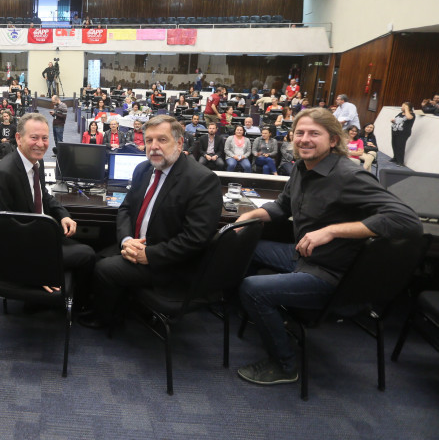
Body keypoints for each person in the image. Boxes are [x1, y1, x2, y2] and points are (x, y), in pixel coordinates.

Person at [235, 108, 423, 385]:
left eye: (314, 133)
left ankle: (284, 365)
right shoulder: (302, 168)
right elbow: (282, 206)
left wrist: (332, 230)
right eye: (300, 133)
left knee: (253, 289)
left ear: (333, 140)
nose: (305, 139)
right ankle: (267, 321)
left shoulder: (349, 175)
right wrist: (249, 216)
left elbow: (406, 221)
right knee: (246, 247)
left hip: (330, 274)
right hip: (304, 257)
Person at [79, 115, 223, 330]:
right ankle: (112, 307)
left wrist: (149, 255)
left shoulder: (202, 180)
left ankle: (107, 319)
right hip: (139, 246)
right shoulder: (144, 169)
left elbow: (196, 238)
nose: (154, 147)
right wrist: (126, 240)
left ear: (180, 143)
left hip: (171, 263)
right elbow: (126, 208)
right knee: (95, 254)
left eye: (162, 140)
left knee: (104, 268)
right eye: (149, 140)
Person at [0, 112, 96, 308]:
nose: (41, 143)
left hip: (39, 237)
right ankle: (77, 307)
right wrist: (33, 269)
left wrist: (63, 215)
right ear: (18, 138)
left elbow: (44, 195)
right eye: (34, 137)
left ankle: (48, 303)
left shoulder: (36, 161)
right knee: (87, 254)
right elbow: (0, 233)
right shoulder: (4, 173)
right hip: (23, 250)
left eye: (45, 138)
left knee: (86, 245)